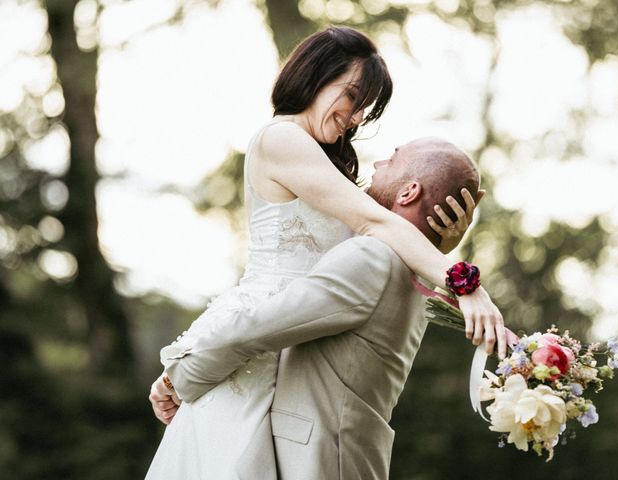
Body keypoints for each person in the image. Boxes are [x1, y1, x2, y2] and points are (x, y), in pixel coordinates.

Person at [145, 26, 504, 479]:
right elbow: (374, 224)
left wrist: (440, 244)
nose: (355, 118)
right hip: (253, 343)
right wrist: (466, 284)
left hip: (284, 352)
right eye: (352, 96)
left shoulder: (321, 158)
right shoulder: (281, 138)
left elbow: (371, 252)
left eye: (364, 108)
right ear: (316, 74)